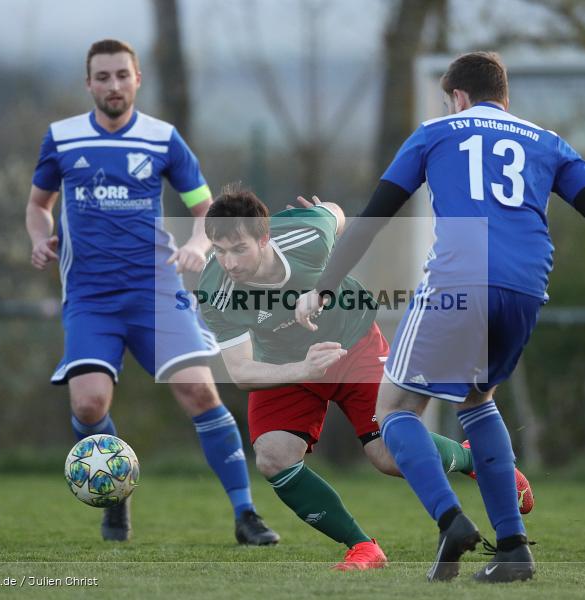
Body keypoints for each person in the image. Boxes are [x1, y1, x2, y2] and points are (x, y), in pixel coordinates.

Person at [296, 51, 585, 582]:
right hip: (525, 288)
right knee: (479, 399)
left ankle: (450, 520)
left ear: (457, 97)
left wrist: (323, 286)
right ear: (504, 95)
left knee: (394, 412)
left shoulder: (437, 132)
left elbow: (375, 216)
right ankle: (515, 550)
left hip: (459, 280)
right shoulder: (548, 143)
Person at [195, 186, 531, 570]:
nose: (229, 262)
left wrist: (329, 212)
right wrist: (303, 370)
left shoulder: (304, 236)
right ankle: (363, 547)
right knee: (273, 457)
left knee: (386, 457)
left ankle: (472, 457)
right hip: (288, 364)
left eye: (239, 249)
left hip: (354, 344)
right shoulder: (214, 290)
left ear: (264, 237)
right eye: (219, 250)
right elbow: (240, 371)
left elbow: (334, 215)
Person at [25, 39, 278, 545]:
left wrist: (200, 246)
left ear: (138, 79)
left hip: (155, 291)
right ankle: (114, 494)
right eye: (103, 77)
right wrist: (39, 237)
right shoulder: (63, 138)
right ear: (89, 83)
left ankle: (246, 515)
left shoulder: (162, 139)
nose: (113, 85)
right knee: (89, 406)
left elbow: (205, 209)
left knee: (200, 391)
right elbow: (39, 204)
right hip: (91, 298)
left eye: (122, 75)